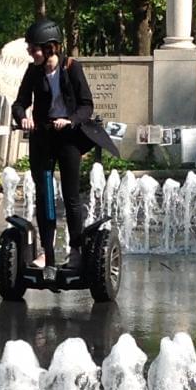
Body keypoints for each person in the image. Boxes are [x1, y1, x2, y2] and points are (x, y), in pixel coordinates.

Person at [11, 18, 119, 268]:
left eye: (33, 48)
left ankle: (76, 251)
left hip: (69, 137)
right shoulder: (33, 71)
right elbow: (20, 102)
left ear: (50, 48)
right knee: (45, 195)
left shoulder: (71, 68)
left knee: (71, 196)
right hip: (43, 137)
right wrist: (23, 117)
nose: (30, 52)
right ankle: (46, 253)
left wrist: (69, 121)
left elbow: (86, 105)